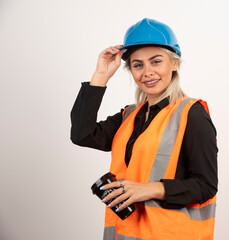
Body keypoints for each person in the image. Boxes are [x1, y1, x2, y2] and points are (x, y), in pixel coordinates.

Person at [70, 18, 218, 240]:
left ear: (174, 63)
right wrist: (101, 76)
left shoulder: (192, 114)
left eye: (156, 61)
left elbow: (205, 185)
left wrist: (149, 189)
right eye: (138, 65)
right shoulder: (129, 115)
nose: (147, 72)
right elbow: (82, 135)